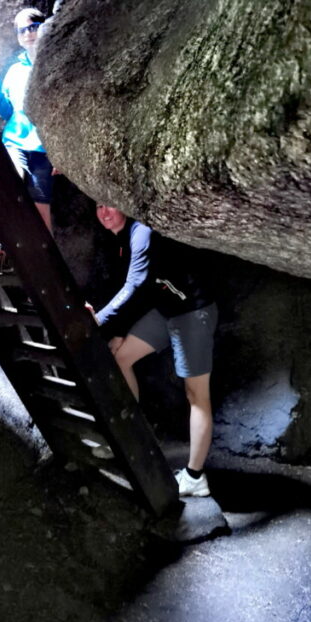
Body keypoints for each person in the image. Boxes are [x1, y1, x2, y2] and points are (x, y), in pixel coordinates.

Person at [93, 204, 217, 498]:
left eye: (109, 205)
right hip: (165, 311)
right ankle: (133, 438)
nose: (104, 212)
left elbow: (136, 285)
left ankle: (195, 477)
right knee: (120, 357)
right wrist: (119, 329)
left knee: (196, 395)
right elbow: (141, 287)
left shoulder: (141, 232)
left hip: (192, 311)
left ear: (124, 206)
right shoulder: (122, 240)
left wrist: (98, 320)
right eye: (98, 206)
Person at [0, 8, 54, 231]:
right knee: (11, 183)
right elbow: (7, 111)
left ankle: (48, 262)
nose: (28, 34)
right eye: (22, 30)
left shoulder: (54, 65)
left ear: (44, 26)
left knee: (41, 210)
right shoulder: (15, 70)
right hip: (15, 141)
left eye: (33, 27)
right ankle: (5, 248)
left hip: (45, 149)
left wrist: (62, 154)